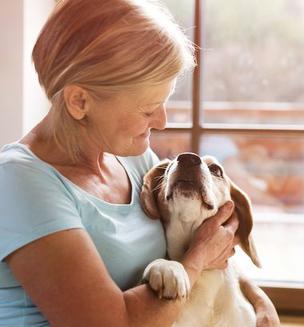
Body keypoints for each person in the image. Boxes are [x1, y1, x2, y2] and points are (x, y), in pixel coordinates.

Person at [0, 0, 280, 326]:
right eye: (147, 109)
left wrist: (259, 300)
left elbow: (206, 242)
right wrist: (197, 260)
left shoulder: (130, 159)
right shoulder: (19, 184)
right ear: (80, 101)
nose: (161, 121)